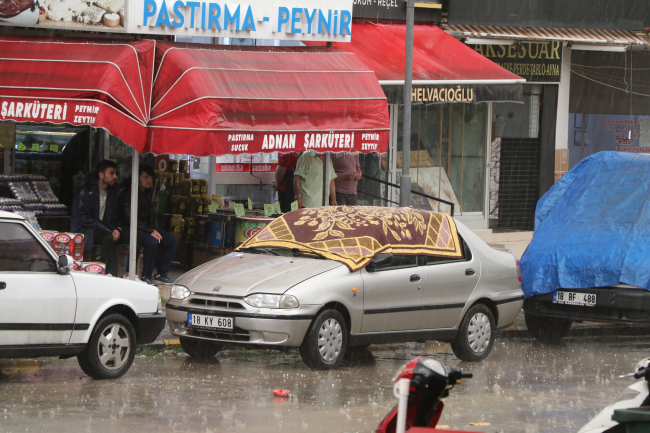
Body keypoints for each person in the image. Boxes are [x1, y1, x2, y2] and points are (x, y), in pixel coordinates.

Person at [120, 164, 178, 286]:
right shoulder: (127, 192)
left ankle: (162, 273)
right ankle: (146, 275)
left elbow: (152, 215)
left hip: (147, 228)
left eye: (150, 178)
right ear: (137, 177)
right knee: (152, 241)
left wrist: (155, 229)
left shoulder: (149, 193)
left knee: (172, 241)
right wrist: (150, 231)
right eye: (146, 177)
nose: (149, 181)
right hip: (132, 227)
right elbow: (128, 218)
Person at [71, 160, 122, 277]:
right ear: (101, 175)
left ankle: (116, 274)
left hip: (104, 229)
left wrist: (116, 228)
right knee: (109, 237)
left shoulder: (113, 192)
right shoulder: (85, 190)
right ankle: (104, 272)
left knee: (121, 236)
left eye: (116, 173)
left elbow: (116, 215)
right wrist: (107, 229)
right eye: (112, 173)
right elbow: (83, 217)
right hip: (85, 229)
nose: (115, 176)